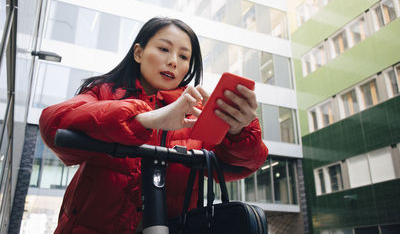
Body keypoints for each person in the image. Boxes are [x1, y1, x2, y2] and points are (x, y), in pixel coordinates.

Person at [39, 17, 268, 234]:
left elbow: (241, 164)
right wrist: (142, 118)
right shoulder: (104, 92)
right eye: (164, 49)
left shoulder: (196, 111)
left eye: (184, 57)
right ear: (138, 53)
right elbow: (53, 123)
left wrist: (238, 131)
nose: (173, 61)